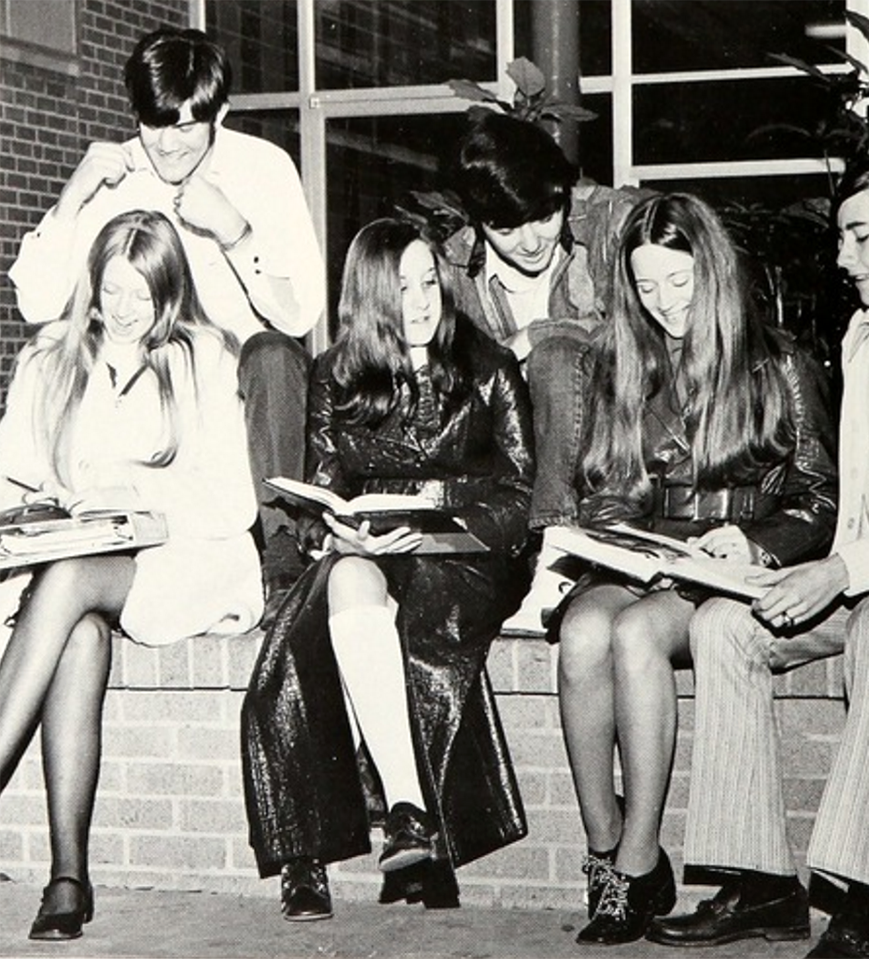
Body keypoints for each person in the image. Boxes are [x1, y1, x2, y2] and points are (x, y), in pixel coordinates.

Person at [647, 163, 869, 959]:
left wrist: (842, 575)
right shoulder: (864, 337)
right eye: (841, 237)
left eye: (862, 235)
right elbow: (860, 491)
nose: (844, 256)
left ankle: (867, 911)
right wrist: (802, 569)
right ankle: (760, 882)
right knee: (725, 624)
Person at [554, 193, 838, 946]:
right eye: (646, 288)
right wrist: (620, 540)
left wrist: (752, 542)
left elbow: (820, 498)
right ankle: (605, 846)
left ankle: (641, 853)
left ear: (710, 269)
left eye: (679, 282)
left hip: (724, 567)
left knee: (636, 636)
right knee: (582, 631)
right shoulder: (623, 359)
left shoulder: (776, 361)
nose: (665, 305)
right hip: (651, 557)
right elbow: (606, 487)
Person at [241, 218, 535, 920]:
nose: (423, 299)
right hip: (371, 551)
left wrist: (443, 522)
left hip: (464, 553)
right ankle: (400, 815)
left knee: (419, 635)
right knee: (294, 645)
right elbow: (320, 487)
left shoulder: (487, 366)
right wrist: (334, 525)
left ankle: (406, 821)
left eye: (429, 280)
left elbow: (522, 495)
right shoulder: (337, 374)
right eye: (402, 287)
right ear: (370, 298)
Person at [0, 209, 263, 941]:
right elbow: (8, 477)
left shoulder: (203, 358)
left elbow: (234, 502)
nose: (122, 312)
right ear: (93, 283)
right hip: (72, 573)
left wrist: (135, 490)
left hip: (177, 564)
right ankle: (67, 879)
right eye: (111, 291)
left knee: (76, 578)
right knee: (79, 635)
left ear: (169, 294)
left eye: (141, 297)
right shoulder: (50, 356)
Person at [8, 26, 326, 622]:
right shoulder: (120, 177)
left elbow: (299, 313)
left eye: (187, 126)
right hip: (157, 386)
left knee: (273, 355)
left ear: (220, 113)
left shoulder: (265, 168)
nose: (170, 145)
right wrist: (72, 198)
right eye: (155, 125)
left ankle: (281, 550)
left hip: (236, 384)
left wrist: (236, 232)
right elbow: (38, 303)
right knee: (54, 348)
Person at [445, 111, 649, 629]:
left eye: (544, 215)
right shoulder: (451, 268)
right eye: (507, 229)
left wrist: (539, 334)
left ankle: (558, 555)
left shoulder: (613, 223)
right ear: (476, 220)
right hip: (515, 461)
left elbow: (652, 325)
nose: (532, 241)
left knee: (555, 355)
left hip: (617, 431)